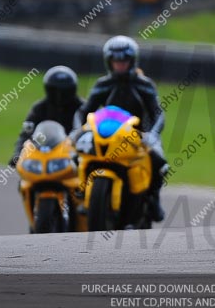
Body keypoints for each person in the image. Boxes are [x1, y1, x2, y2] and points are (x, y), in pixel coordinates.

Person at [77, 35, 168, 223]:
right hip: (108, 134)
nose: (120, 65)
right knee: (74, 155)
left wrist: (152, 134)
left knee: (159, 162)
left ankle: (153, 201)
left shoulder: (144, 84)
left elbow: (158, 114)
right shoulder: (102, 84)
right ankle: (81, 193)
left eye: (123, 61)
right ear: (109, 62)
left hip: (138, 137)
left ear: (132, 61)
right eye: (115, 61)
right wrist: (77, 131)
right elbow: (84, 111)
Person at [10, 66, 83, 168]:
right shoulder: (39, 108)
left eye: (65, 92)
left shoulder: (83, 108)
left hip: (73, 158)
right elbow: (26, 134)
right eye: (55, 91)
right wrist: (17, 154)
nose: (60, 96)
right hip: (43, 156)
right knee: (26, 180)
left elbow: (92, 131)